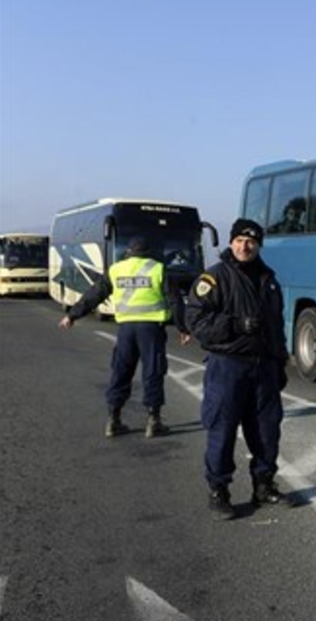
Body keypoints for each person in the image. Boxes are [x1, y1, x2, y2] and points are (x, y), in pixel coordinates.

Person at [185, 219, 291, 521]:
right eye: (240, 241)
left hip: (264, 368)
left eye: (251, 241)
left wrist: (279, 361)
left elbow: (276, 327)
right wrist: (234, 325)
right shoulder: (215, 278)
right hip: (228, 367)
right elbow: (196, 320)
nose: (245, 246)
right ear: (231, 242)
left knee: (267, 431)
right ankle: (219, 491)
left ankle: (264, 485)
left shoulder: (269, 280)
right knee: (223, 429)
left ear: (259, 245)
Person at [58, 236, 191, 438]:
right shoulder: (158, 269)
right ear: (148, 252)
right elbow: (175, 301)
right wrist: (183, 328)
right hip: (151, 328)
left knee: (121, 371)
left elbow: (94, 295)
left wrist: (72, 315)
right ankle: (153, 421)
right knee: (153, 371)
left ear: (128, 252)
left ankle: (114, 419)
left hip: (126, 329)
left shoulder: (116, 270)